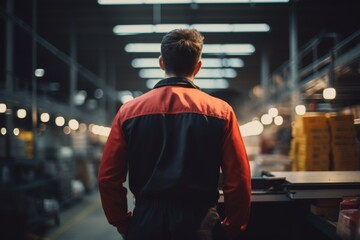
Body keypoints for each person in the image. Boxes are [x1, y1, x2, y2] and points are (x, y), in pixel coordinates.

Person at [98, 28, 251, 240]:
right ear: (198, 66)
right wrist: (233, 226)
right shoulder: (221, 112)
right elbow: (239, 180)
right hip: (201, 224)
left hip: (146, 224)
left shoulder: (128, 112)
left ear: (161, 63)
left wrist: (122, 222)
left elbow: (108, 178)